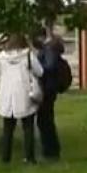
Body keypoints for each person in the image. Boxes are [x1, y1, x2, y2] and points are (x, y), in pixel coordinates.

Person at [0, 35, 44, 164]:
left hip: (7, 96)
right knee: (28, 127)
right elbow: (40, 71)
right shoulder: (28, 56)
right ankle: (29, 157)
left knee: (7, 129)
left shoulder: (1, 56)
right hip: (25, 94)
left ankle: (5, 157)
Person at [36, 33, 65, 161]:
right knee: (46, 119)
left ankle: (50, 150)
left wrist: (38, 69)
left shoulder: (49, 51)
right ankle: (51, 149)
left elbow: (48, 67)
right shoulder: (52, 51)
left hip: (46, 89)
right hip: (51, 88)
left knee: (44, 120)